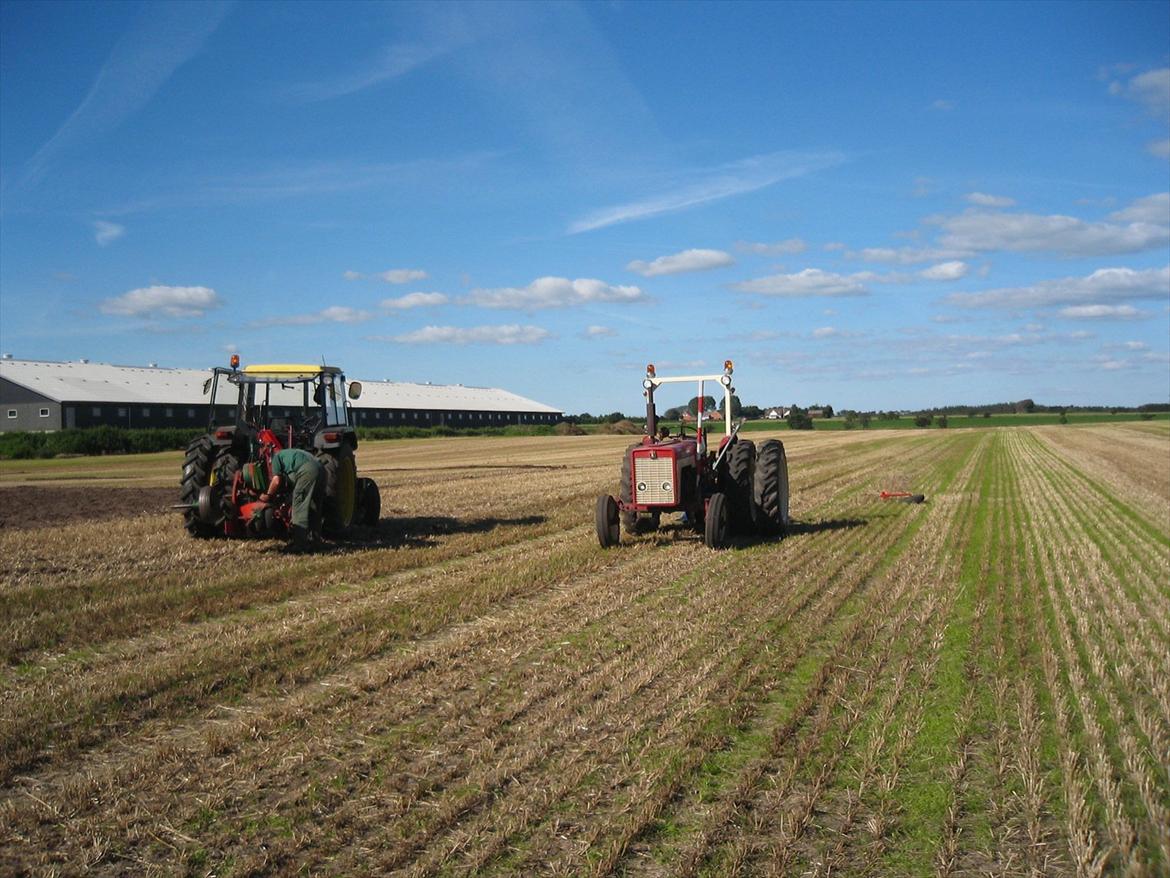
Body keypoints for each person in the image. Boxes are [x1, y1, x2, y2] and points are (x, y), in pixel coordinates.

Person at [259, 448, 324, 544]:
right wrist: (286, 504)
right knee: (313, 507)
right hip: (321, 468)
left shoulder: (276, 458)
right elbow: (296, 491)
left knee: (299, 508)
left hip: (308, 470)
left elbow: (276, 481)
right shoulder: (290, 455)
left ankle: (300, 543)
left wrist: (268, 496)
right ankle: (314, 540)